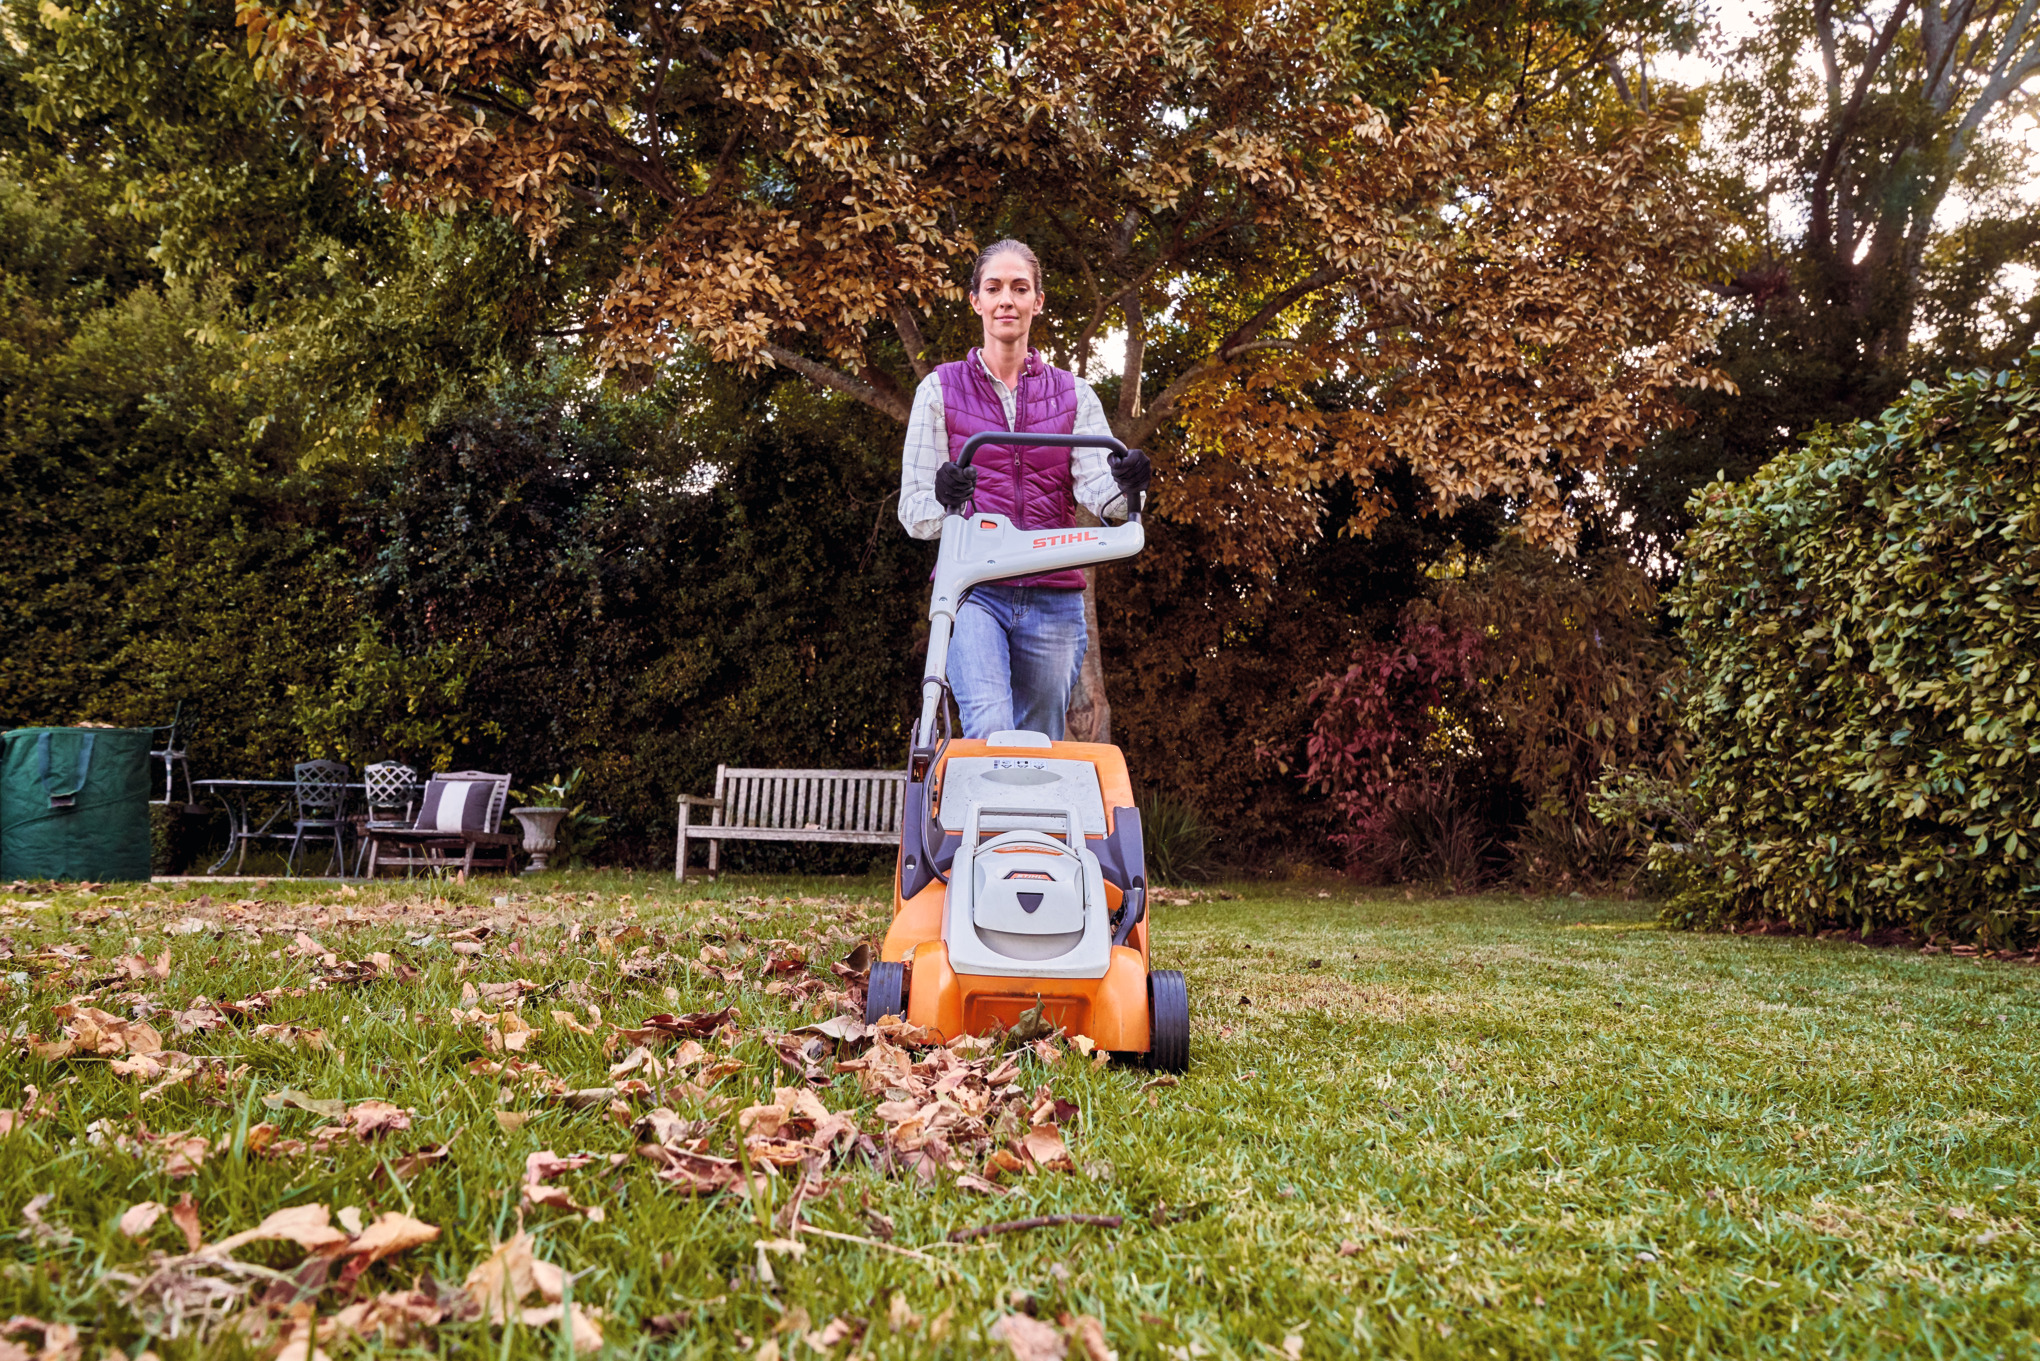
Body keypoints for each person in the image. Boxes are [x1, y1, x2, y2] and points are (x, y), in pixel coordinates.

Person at [898, 240, 1151, 741]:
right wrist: (948, 497)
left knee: (1039, 740)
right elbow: (914, 511)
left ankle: (1026, 825)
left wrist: (1130, 487)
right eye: (993, 288)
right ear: (976, 301)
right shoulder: (939, 389)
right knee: (990, 727)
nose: (1006, 300)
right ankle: (978, 821)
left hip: (1051, 593)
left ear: (1038, 301)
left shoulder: (1074, 395)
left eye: (1019, 288)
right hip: (974, 588)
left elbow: (1106, 497)